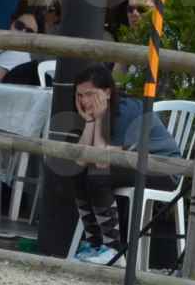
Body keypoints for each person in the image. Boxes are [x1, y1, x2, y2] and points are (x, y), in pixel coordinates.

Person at [63, 64, 182, 265]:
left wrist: (98, 119)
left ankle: (113, 250)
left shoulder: (125, 111)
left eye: (90, 94)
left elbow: (101, 161)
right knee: (79, 172)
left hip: (164, 169)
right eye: (80, 95)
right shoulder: (95, 112)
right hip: (133, 164)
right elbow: (80, 160)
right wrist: (90, 122)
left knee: (98, 175)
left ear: (107, 92)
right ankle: (95, 245)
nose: (84, 101)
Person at [0, 9, 37, 82]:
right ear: (12, 23)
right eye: (19, 26)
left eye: (29, 31)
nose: (22, 32)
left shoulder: (18, 53)